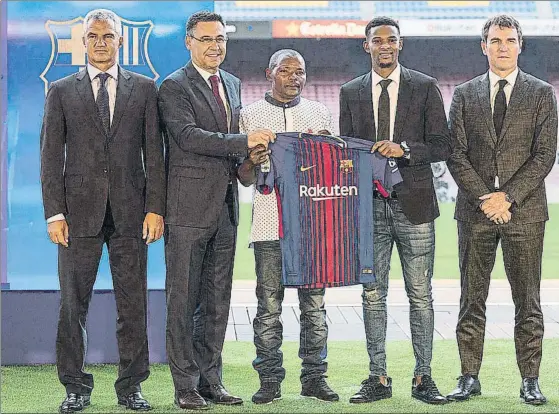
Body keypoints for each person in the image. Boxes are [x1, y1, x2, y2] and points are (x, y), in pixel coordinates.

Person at [40, 8, 165, 413]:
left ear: (120, 40)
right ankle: (74, 387)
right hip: (77, 217)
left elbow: (155, 155)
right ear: (83, 41)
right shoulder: (60, 90)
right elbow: (48, 158)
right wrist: (54, 213)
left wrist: (155, 208)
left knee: (133, 305)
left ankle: (131, 388)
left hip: (132, 215)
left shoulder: (145, 88)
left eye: (107, 36)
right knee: (72, 306)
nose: (100, 42)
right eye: (93, 36)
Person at [158, 10, 274, 410]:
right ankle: (184, 386)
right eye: (206, 39)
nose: (215, 46)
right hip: (186, 211)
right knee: (183, 300)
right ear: (188, 42)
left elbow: (230, 149)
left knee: (217, 300)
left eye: (220, 39)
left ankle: (212, 381)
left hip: (225, 209)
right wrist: (243, 140)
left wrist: (250, 157)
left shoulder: (233, 83)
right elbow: (188, 137)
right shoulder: (173, 87)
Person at [445, 14, 557, 406]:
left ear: (520, 45)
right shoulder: (463, 94)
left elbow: (544, 156)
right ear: (483, 46)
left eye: (509, 40)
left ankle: (530, 380)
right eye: (495, 40)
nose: (503, 47)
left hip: (524, 214)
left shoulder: (542, 93)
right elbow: (455, 155)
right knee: (471, 299)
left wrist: (506, 197)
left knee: (528, 300)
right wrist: (485, 199)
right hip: (474, 213)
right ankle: (469, 376)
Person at [339, 16, 451, 405]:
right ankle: (378, 377)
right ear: (365, 46)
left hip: (415, 205)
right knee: (372, 294)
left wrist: (403, 149)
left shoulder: (425, 87)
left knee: (420, 293)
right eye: (377, 40)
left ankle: (424, 376)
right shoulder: (350, 91)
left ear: (400, 45)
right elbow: (348, 151)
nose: (384, 46)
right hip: (368, 207)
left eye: (392, 40)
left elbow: (442, 145)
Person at [236, 49, 339, 404]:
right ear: (270, 73)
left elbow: (334, 172)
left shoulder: (319, 113)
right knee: (268, 307)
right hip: (267, 225)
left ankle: (314, 377)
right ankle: (269, 380)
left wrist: (328, 150)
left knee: (315, 308)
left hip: (312, 226)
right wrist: (252, 159)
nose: (294, 77)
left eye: (301, 71)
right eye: (286, 70)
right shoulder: (249, 115)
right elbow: (244, 177)